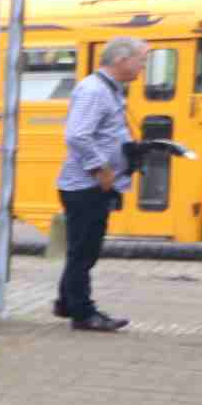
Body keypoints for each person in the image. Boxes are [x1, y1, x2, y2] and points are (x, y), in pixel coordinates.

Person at [53, 36, 147, 332]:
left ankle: (67, 302)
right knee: (84, 252)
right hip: (86, 185)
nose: (143, 67)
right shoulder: (94, 90)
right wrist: (100, 168)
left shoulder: (109, 89)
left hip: (92, 185)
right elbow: (77, 135)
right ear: (121, 60)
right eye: (141, 60)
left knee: (82, 250)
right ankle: (83, 314)